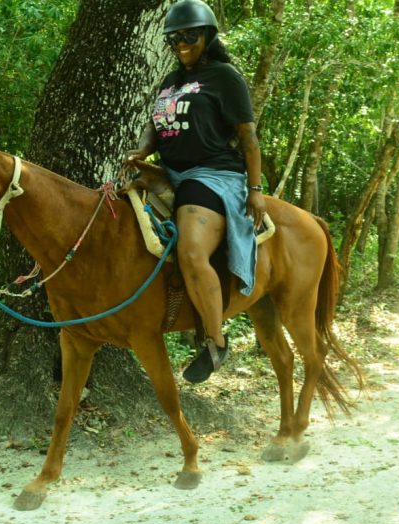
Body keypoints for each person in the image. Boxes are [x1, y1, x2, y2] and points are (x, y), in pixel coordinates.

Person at [127, 0, 266, 384]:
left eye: (189, 36)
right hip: (168, 173)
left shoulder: (225, 77)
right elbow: (155, 124)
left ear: (207, 36)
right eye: (174, 38)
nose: (182, 43)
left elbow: (248, 138)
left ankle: (216, 340)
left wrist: (254, 189)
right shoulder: (169, 82)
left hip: (211, 174)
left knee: (190, 250)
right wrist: (142, 149)